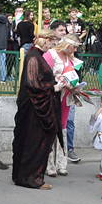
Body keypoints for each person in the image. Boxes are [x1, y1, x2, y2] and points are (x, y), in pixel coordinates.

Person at [12, 29, 60, 190]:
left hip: (35, 106)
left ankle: (26, 175)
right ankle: (31, 178)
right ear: (44, 40)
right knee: (34, 142)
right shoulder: (34, 57)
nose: (52, 45)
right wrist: (54, 87)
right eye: (51, 41)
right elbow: (33, 84)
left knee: (31, 142)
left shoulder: (35, 55)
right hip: (34, 110)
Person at [43, 34, 79, 177]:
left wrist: (74, 85)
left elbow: (73, 75)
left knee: (62, 129)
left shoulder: (70, 58)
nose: (75, 50)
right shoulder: (51, 55)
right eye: (74, 47)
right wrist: (56, 81)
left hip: (66, 97)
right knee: (51, 128)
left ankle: (62, 164)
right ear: (67, 45)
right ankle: (49, 165)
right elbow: (44, 75)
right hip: (53, 96)